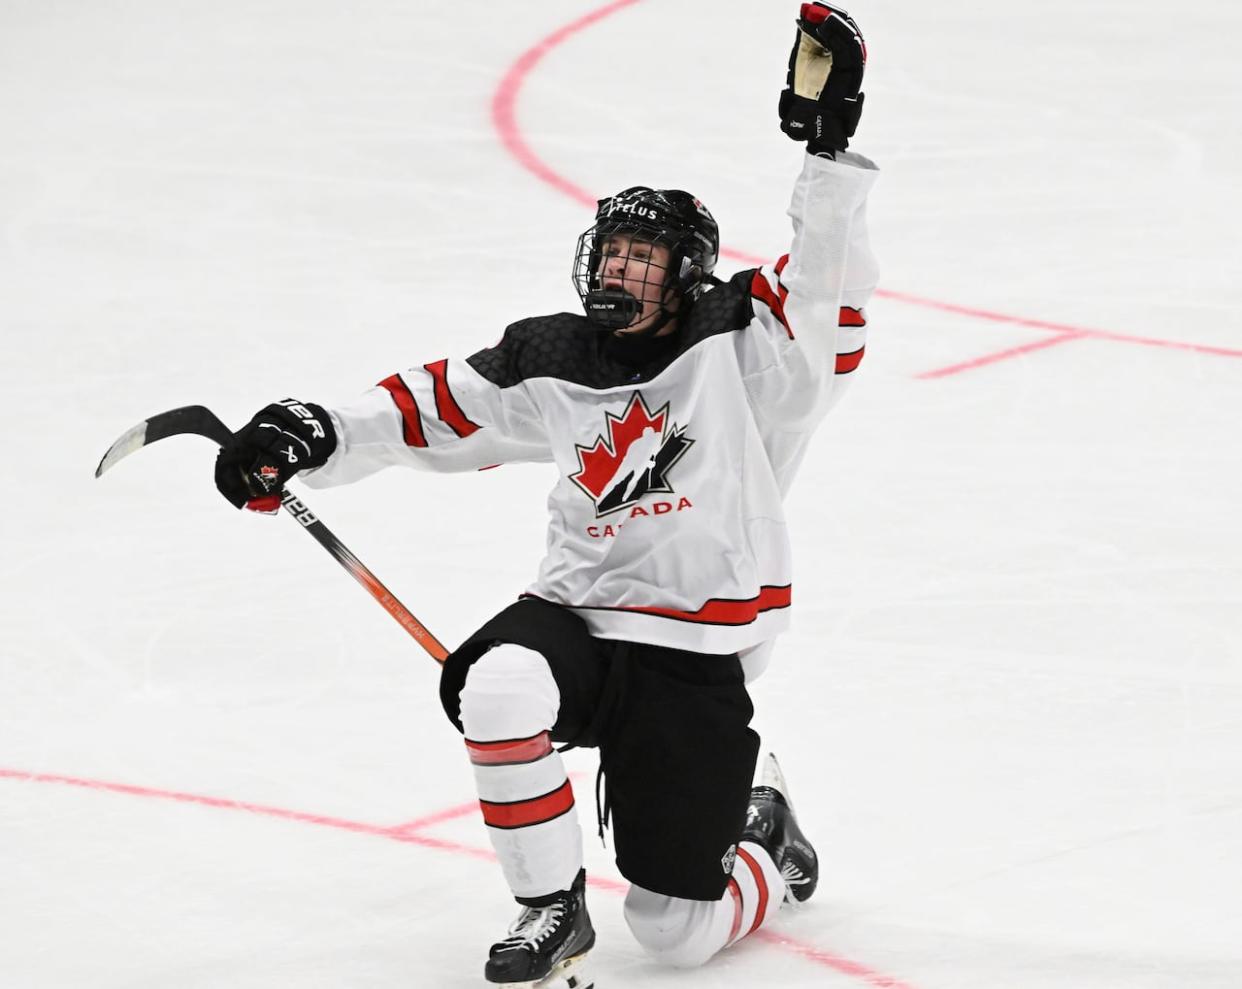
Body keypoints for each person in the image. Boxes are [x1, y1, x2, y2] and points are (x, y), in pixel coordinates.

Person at [213, 4, 878, 985]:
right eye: (609, 252)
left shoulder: (746, 351)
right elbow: (437, 407)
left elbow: (826, 295)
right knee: (498, 685)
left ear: (686, 273)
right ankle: (550, 905)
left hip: (693, 650)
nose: (616, 270)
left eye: (640, 258)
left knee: (675, 932)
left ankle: (763, 837)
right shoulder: (556, 356)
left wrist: (827, 155)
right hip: (575, 615)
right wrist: (312, 433)